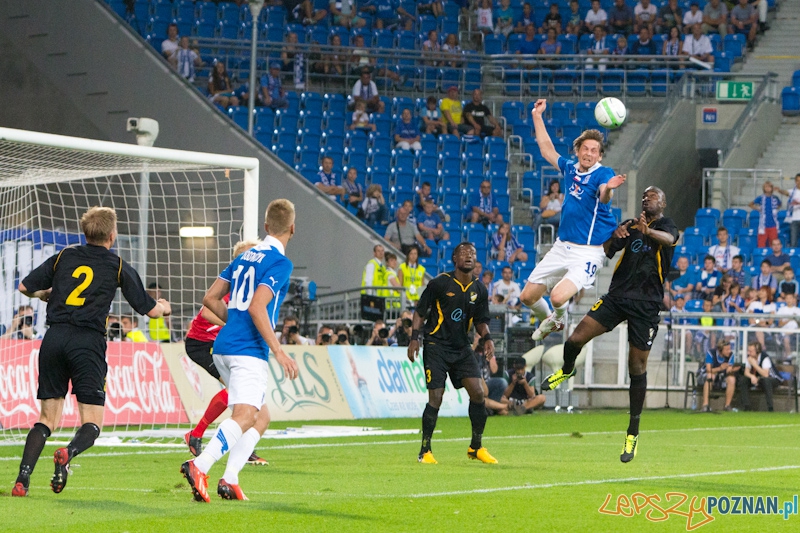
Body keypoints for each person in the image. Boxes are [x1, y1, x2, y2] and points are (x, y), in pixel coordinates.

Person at [11, 207, 171, 497]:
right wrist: (164, 306)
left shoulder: (64, 256)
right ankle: (68, 453)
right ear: (112, 235)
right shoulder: (117, 265)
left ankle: (22, 479)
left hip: (54, 338)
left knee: (46, 419)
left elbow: (24, 286)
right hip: (87, 342)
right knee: (92, 422)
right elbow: (149, 310)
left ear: (85, 233)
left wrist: (43, 294)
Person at [541, 187, 677, 461]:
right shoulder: (629, 225)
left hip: (647, 304)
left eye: (651, 196)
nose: (645, 199)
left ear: (662, 202)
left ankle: (632, 434)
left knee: (636, 367)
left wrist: (646, 231)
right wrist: (612, 237)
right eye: (644, 196)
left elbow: (669, 239)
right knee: (575, 338)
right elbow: (604, 252)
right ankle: (567, 370)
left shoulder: (665, 225)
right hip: (617, 297)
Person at [181, 199, 300, 503]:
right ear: (292, 228)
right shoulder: (280, 263)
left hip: (222, 347)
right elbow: (258, 306)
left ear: (265, 226)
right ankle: (200, 465)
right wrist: (279, 351)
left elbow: (210, 298)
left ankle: (229, 480)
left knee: (259, 416)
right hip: (247, 349)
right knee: (246, 414)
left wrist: (233, 320)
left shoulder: (246, 255)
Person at [519, 99, 626, 341]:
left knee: (558, 297)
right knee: (527, 297)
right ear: (578, 150)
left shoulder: (603, 174)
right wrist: (537, 115)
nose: (589, 153)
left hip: (588, 252)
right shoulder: (570, 168)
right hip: (562, 246)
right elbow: (547, 149)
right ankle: (551, 319)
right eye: (585, 149)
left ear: (599, 155)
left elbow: (604, 197)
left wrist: (609, 188)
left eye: (594, 151)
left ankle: (559, 315)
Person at [407, 242, 498, 465]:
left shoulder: (480, 289)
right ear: (454, 259)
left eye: (472, 254)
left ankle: (475, 447)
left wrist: (487, 339)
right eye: (463, 253)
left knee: (478, 393)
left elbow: (481, 321)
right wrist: (414, 338)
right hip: (436, 346)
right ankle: (425, 451)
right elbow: (420, 312)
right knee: (436, 397)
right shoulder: (439, 283)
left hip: (461, 348)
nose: (468, 256)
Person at [183, 240, 270, 466]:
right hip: (201, 344)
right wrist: (230, 324)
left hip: (217, 343)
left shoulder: (246, 287)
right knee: (236, 393)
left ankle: (229, 440)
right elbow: (205, 310)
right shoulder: (231, 286)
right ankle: (198, 434)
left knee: (238, 395)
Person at [739, 341, 782, 411]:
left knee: (766, 381)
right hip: (759, 378)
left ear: (757, 351)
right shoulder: (750, 358)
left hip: (773, 379)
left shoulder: (765, 358)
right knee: (744, 380)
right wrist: (752, 376)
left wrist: (754, 364)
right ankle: (746, 406)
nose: (748, 353)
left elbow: (766, 374)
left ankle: (770, 407)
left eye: (751, 351)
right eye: (748, 351)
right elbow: (746, 372)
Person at [697, 339, 737, 412]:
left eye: (730, 349)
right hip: (704, 376)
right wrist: (720, 368)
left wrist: (733, 369)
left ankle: (727, 405)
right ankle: (705, 405)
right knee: (711, 376)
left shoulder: (731, 355)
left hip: (720, 377)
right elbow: (708, 370)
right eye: (727, 349)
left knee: (732, 379)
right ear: (720, 350)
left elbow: (729, 370)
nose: (729, 351)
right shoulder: (711, 353)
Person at [785, 173, 800, 248]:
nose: (799, 182)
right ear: (795, 181)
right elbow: (786, 193)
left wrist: (798, 203)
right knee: (793, 242)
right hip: (794, 219)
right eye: (797, 180)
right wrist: (779, 190)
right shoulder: (792, 191)